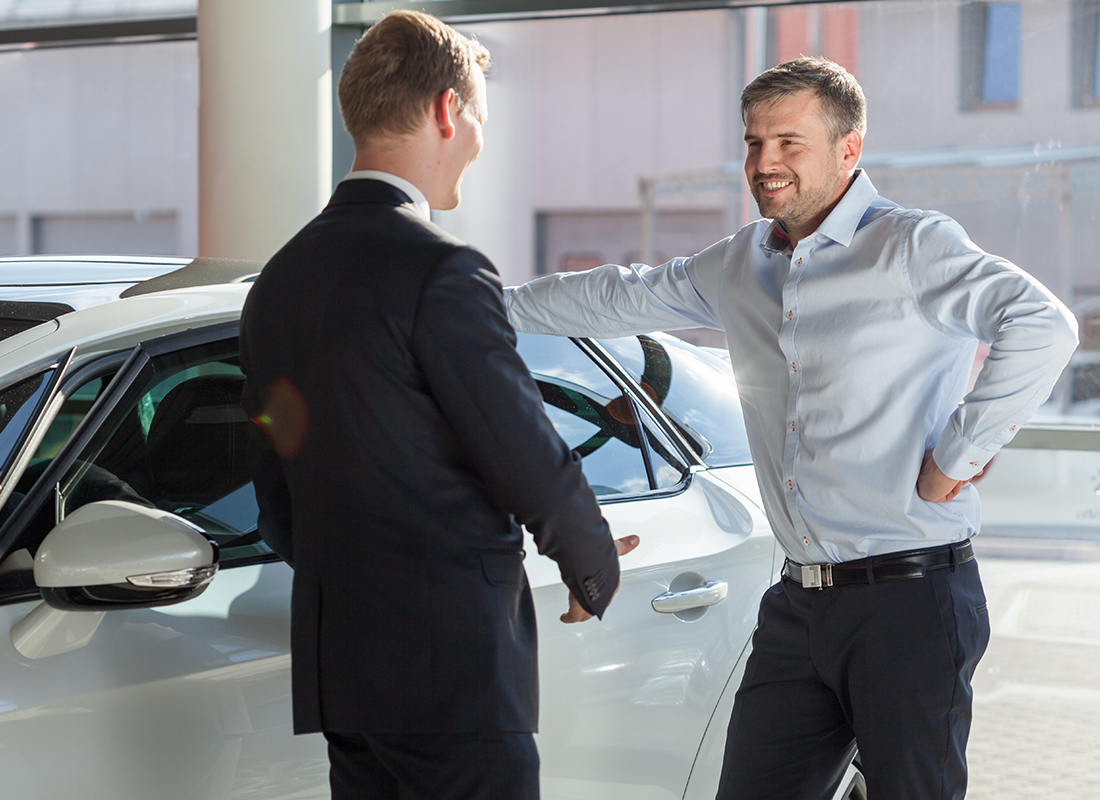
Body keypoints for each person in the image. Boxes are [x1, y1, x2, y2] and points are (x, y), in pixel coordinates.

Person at [505, 57, 1078, 799]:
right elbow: (622, 296)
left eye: (788, 142)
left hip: (910, 602)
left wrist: (959, 454)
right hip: (797, 606)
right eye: (752, 143)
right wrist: (479, 300)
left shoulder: (911, 245)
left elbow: (1043, 324)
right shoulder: (743, 262)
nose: (764, 162)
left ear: (849, 150)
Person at [240, 11, 633, 800]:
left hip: (344, 672)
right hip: (452, 673)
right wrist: (592, 567)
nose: (479, 142)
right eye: (479, 118)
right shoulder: (441, 270)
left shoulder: (276, 280)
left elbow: (278, 492)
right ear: (449, 110)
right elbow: (522, 447)